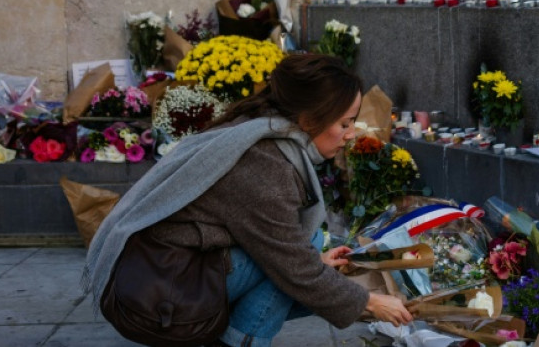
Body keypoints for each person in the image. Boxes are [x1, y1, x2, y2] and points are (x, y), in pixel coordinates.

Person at [85, 54, 413, 347]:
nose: (351, 133)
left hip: (161, 273)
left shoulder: (260, 131)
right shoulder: (265, 165)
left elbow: (293, 259)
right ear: (309, 120)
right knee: (295, 259)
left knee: (303, 250)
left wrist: (315, 264)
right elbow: (294, 269)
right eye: (344, 123)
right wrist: (369, 303)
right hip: (157, 299)